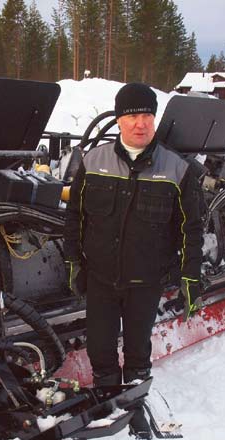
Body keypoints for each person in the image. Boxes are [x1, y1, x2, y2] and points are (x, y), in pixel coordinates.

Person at [63, 82, 204, 388]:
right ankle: (107, 396)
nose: (140, 123)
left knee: (138, 349)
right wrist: (73, 259)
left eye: (147, 116)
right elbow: (75, 216)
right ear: (118, 120)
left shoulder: (178, 169)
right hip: (101, 278)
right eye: (132, 116)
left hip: (146, 281)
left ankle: (135, 398)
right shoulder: (93, 161)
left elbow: (190, 228)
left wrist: (191, 274)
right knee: (100, 348)